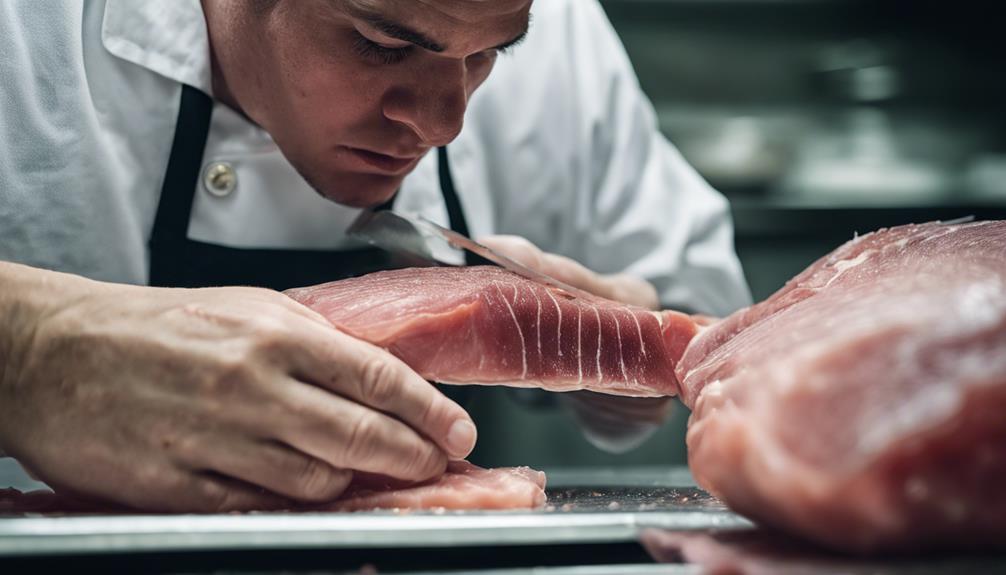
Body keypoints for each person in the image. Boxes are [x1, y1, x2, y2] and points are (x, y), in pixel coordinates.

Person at [0, 0, 750, 511]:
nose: (444, 122)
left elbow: (714, 335)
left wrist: (616, 345)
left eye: (491, 53)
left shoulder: (554, 27)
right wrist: (28, 346)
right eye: (382, 43)